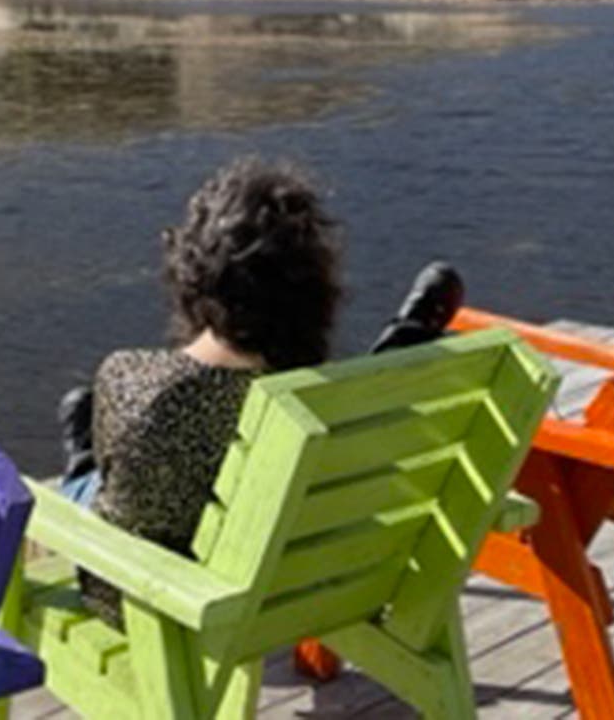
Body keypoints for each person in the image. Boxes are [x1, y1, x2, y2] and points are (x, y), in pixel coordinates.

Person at [55, 158, 463, 625]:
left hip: (160, 607)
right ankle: (404, 338)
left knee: (91, 486)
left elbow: (121, 502)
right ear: (316, 296)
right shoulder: (313, 406)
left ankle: (79, 461)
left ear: (190, 273)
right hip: (297, 588)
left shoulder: (130, 377)